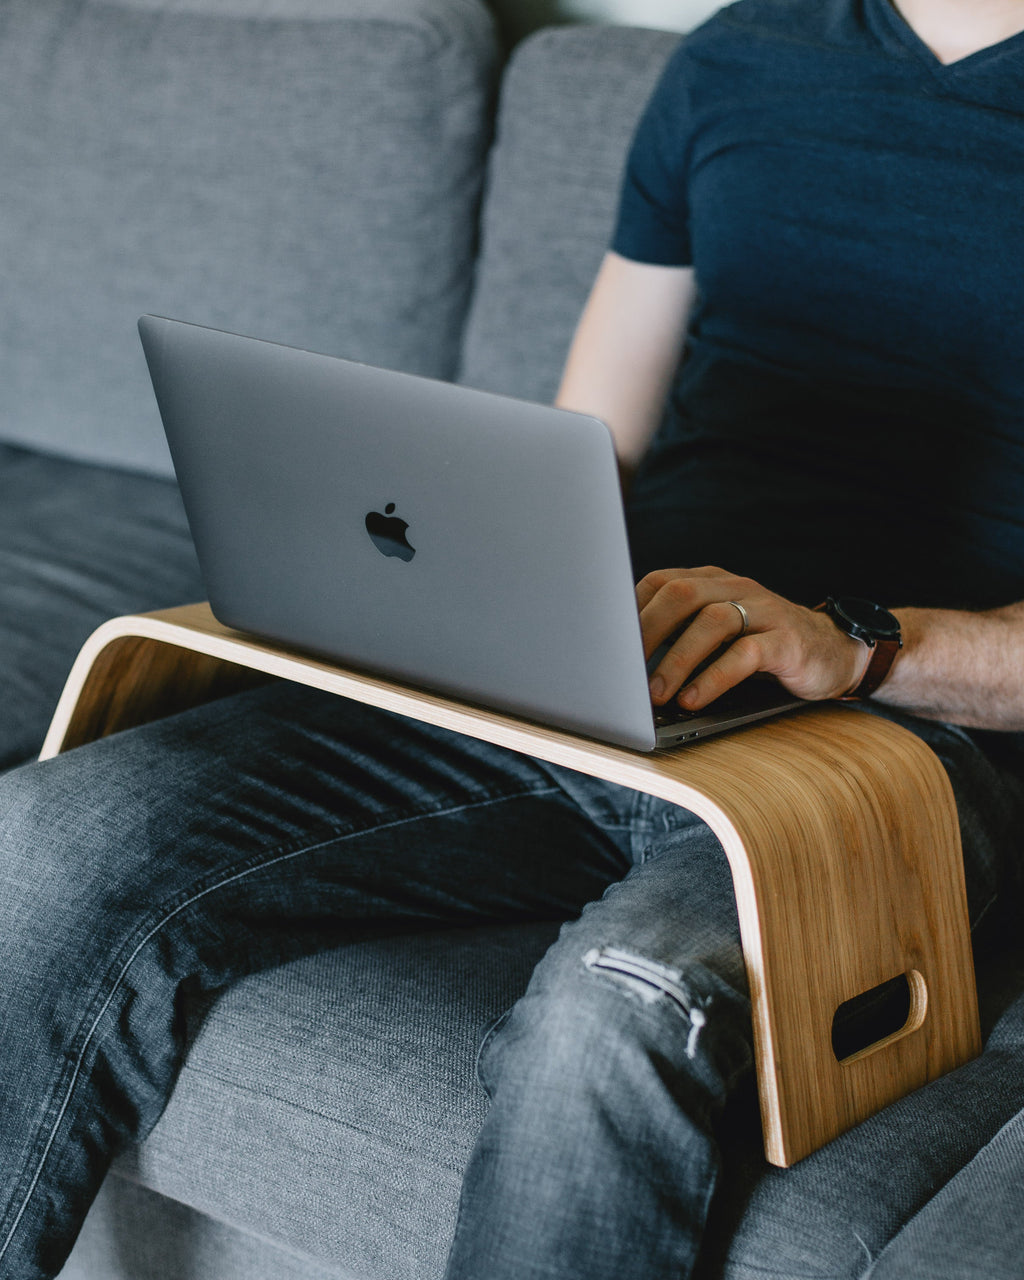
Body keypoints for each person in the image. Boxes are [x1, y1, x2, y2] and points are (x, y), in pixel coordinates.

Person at [2, 0, 1024, 1276]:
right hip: (609, 661)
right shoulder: (732, 60)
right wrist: (476, 569)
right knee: (40, 837)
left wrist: (857, 642)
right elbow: (591, 443)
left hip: (890, 736)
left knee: (618, 1007)